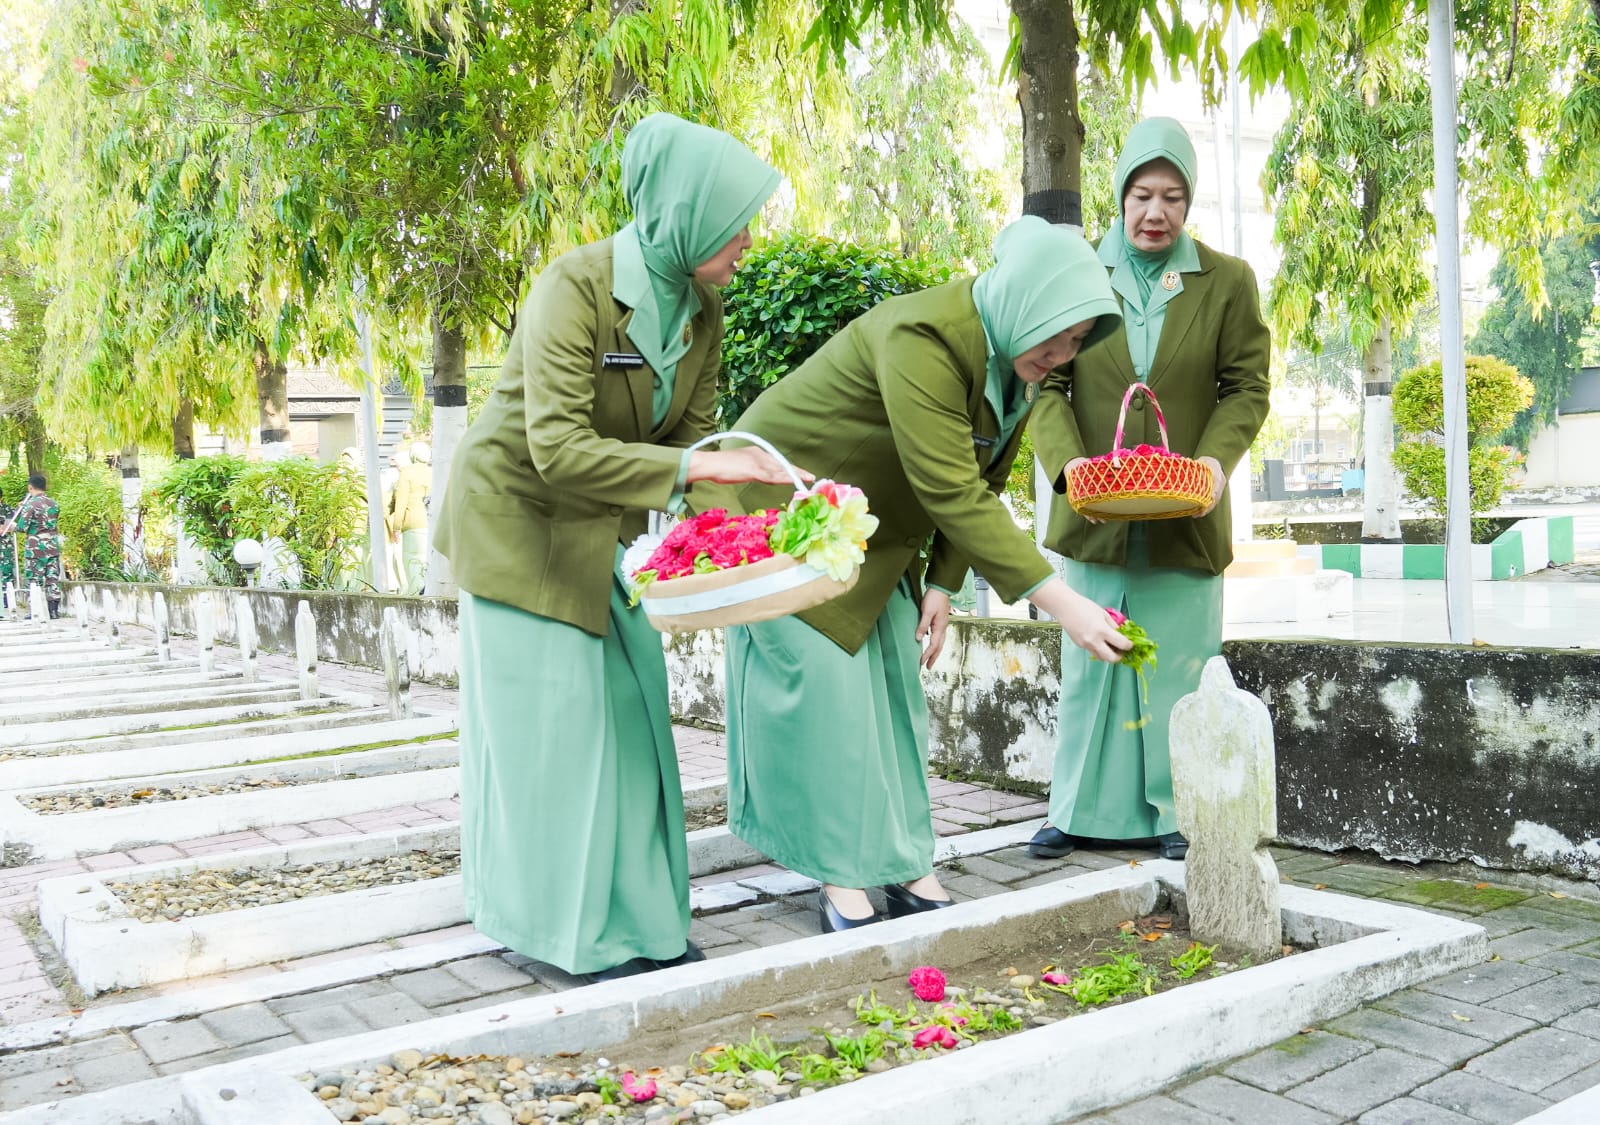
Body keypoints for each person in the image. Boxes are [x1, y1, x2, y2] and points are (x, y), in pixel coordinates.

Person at [432, 112, 795, 982]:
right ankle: (565, 932)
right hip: (518, 522)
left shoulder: (703, 305)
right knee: (562, 735)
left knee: (636, 730)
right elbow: (556, 445)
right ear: (685, 211)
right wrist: (691, 469)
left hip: (600, 532)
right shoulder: (576, 286)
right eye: (734, 220)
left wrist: (767, 537)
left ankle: (643, 923)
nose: (745, 241)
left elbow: (701, 449)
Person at [718, 215, 1133, 933]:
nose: (1061, 354)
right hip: (780, 518)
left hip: (863, 533)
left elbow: (985, 476)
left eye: (1075, 341)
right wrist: (1064, 602)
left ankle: (907, 860)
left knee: (893, 697)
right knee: (830, 701)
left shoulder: (1017, 367)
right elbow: (951, 488)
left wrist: (941, 585)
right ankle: (840, 872)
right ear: (1024, 300)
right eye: (1055, 335)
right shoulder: (925, 340)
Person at [1027, 117, 1271, 863]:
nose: (1154, 211)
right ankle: (1071, 811)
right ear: (1120, 195)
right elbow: (1045, 382)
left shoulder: (1227, 281)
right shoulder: (1076, 271)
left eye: (1170, 196)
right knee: (1090, 668)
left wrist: (1212, 469)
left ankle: (1182, 809)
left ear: (1189, 201)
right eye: (1141, 194)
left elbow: (1247, 387)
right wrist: (1070, 470)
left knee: (1180, 667)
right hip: (1094, 512)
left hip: (1185, 513)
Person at [2, 475, 65, 619]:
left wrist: (11, 526)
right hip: (52, 546)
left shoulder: (31, 505)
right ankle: (53, 610)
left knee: (34, 579)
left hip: (36, 548)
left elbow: (23, 527)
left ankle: (35, 611)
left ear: (30, 487)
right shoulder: (53, 503)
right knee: (52, 578)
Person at [388, 442, 432, 594]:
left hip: (413, 524)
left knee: (412, 562)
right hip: (432, 523)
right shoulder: (434, 472)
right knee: (427, 563)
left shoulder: (407, 473)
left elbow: (401, 502)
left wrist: (396, 528)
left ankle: (415, 597)